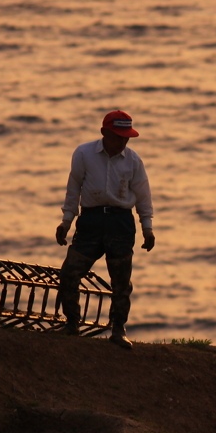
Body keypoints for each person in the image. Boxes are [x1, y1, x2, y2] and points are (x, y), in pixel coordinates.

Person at [56, 109, 155, 349]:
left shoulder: (133, 161)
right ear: (104, 133)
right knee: (70, 273)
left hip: (120, 223)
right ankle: (72, 324)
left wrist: (147, 227)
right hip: (90, 221)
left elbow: (143, 196)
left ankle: (118, 330)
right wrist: (67, 221)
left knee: (121, 281)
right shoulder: (83, 153)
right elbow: (74, 188)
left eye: (126, 137)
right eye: (118, 136)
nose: (123, 142)